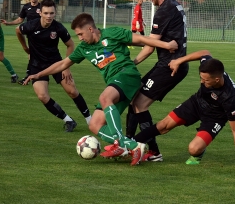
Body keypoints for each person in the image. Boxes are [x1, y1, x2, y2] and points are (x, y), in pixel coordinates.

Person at [23, 13, 178, 166]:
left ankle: (125, 144)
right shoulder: (84, 48)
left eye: (81, 34)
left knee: (105, 98)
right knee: (94, 124)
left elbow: (142, 39)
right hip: (115, 83)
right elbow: (63, 64)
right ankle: (130, 146)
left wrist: (167, 45)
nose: (80, 39)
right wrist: (38, 74)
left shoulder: (112, 33)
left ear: (90, 29)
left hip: (127, 75)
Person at [133, 50, 235, 172]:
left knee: (193, 149)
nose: (201, 81)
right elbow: (205, 52)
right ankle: (131, 142)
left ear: (216, 80)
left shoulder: (228, 97)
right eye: (201, 78)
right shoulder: (209, 65)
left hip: (215, 117)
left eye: (206, 80)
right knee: (164, 125)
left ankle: (200, 152)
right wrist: (179, 60)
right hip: (196, 103)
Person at [125, 0, 189, 162]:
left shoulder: (164, 10)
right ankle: (129, 143)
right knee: (135, 100)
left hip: (170, 66)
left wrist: (133, 62)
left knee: (139, 104)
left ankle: (148, 150)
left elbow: (150, 45)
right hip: (170, 64)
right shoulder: (176, 5)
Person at [15, 0, 91, 132]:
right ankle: (68, 120)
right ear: (40, 13)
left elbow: (70, 45)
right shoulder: (30, 25)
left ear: (55, 13)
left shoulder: (58, 27)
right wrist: (25, 47)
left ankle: (90, 121)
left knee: (72, 91)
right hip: (37, 65)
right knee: (42, 96)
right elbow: (18, 30)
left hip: (57, 64)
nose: (49, 16)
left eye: (51, 13)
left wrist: (66, 67)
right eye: (46, 13)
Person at [1, 0, 41, 85]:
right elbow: (20, 20)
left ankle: (29, 75)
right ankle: (34, 75)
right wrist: (9, 23)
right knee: (33, 55)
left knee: (33, 55)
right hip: (30, 35)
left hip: (40, 35)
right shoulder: (26, 7)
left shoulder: (42, 7)